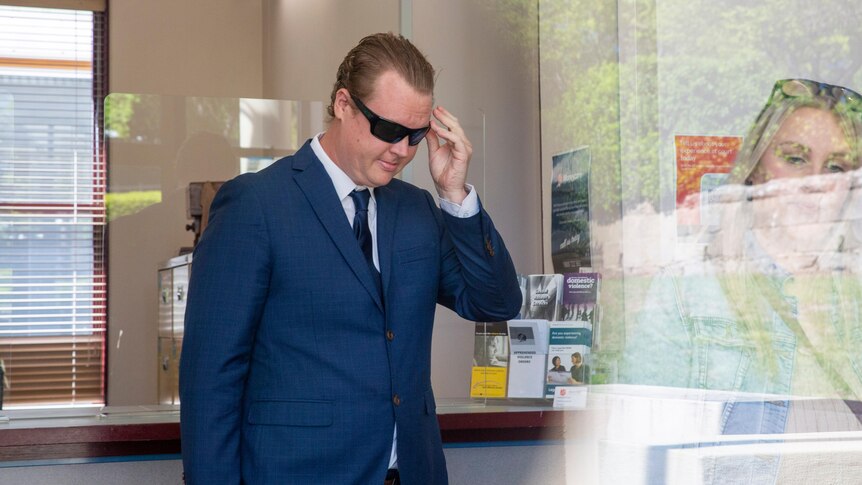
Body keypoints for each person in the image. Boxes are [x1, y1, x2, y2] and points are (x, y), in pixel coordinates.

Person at [179, 33, 522, 485]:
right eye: (389, 129)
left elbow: (495, 302)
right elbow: (211, 377)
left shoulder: (418, 209)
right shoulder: (256, 205)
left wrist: (455, 195)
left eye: (416, 135)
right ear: (344, 104)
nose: (402, 150)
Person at [619, 79, 862, 482]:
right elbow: (638, 464)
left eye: (835, 167)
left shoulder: (853, 302)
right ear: (755, 170)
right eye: (796, 158)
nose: (815, 182)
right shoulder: (687, 296)